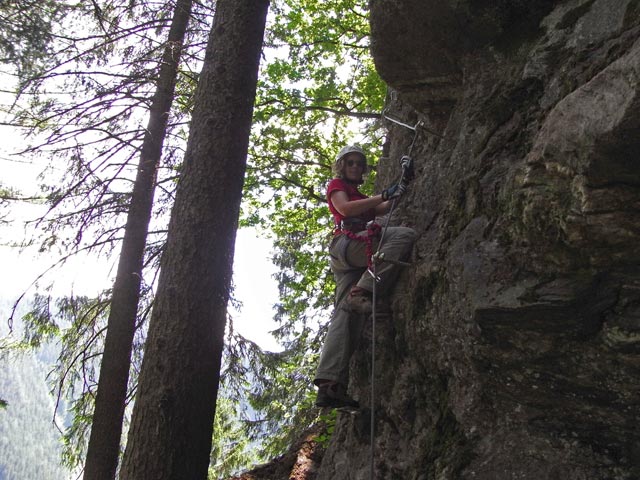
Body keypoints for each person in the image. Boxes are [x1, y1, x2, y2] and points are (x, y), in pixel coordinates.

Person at [314, 145, 417, 409]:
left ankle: (330, 384)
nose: (356, 167)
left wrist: (403, 181)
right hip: (347, 244)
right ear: (342, 165)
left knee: (344, 312)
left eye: (360, 164)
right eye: (351, 163)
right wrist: (384, 193)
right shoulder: (337, 185)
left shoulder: (360, 196)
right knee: (404, 235)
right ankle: (364, 291)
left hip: (349, 255)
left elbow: (384, 206)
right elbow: (346, 210)